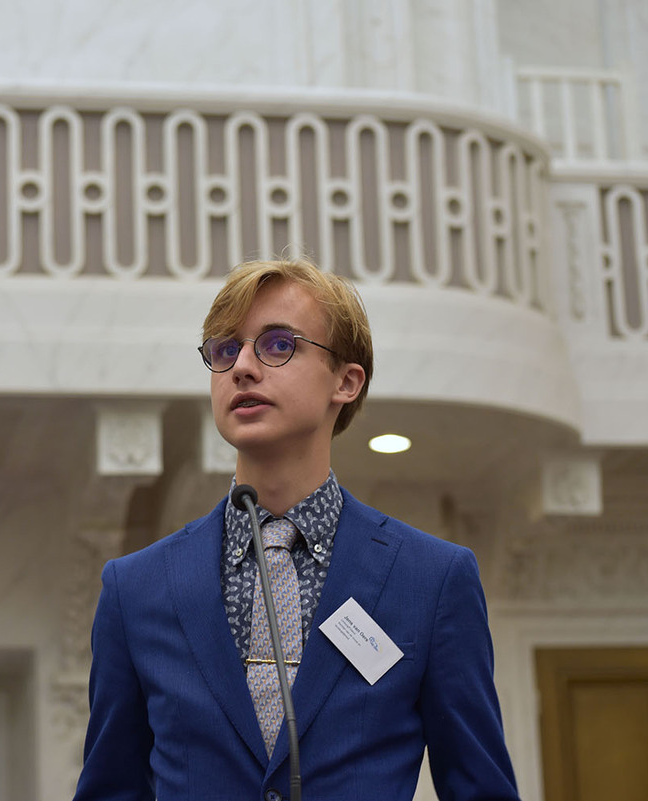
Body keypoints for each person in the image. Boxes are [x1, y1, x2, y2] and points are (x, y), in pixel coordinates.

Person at [73, 258, 519, 801]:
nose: (241, 366)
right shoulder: (135, 588)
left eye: (277, 344)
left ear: (347, 381)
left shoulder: (432, 579)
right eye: (224, 349)